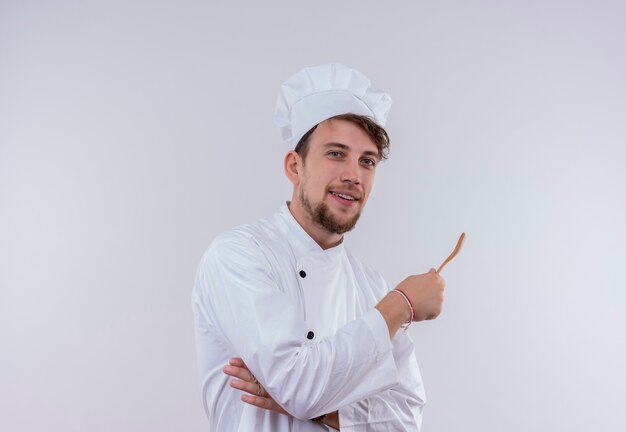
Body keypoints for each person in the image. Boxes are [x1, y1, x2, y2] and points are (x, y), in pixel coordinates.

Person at [192, 63, 445, 431]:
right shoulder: (238, 256)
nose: (353, 175)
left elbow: (405, 417)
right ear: (295, 167)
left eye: (367, 161)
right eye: (336, 154)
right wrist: (400, 305)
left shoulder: (369, 285)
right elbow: (299, 387)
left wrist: (332, 413)